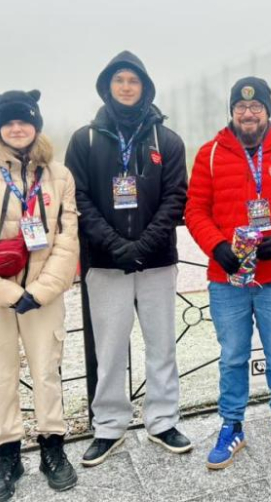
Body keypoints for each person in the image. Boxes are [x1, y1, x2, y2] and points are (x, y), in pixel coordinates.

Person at [64, 51, 191, 466]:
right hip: (105, 262)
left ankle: (162, 419)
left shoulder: (167, 141)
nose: (125, 87)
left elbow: (176, 198)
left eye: (133, 80)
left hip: (156, 261)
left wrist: (143, 245)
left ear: (145, 87)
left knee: (161, 345)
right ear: (107, 86)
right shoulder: (84, 139)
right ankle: (109, 425)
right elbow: (78, 198)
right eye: (118, 80)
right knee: (111, 346)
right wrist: (118, 246)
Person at [185, 76, 271, 469]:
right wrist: (216, 246)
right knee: (232, 357)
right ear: (232, 111)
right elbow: (195, 211)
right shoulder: (210, 154)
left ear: (267, 111)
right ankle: (232, 427)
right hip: (227, 280)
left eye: (256, 106)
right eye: (241, 107)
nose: (248, 113)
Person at [0, 89, 79, 501]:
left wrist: (40, 291)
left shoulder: (59, 176)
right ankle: (7, 454)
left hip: (44, 294)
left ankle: (52, 449)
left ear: (36, 124)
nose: (17, 128)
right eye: (8, 122)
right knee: (1, 377)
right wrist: (7, 293)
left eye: (23, 120)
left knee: (47, 372)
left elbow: (67, 239)